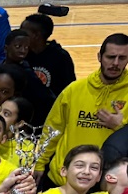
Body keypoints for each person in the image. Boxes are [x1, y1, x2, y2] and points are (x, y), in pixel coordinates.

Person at [37, 33, 128, 178]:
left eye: (122, 58)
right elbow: (52, 129)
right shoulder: (74, 89)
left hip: (104, 182)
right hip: (62, 178)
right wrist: (40, 162)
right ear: (99, 57)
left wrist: (121, 128)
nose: (116, 63)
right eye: (111, 57)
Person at [20, 12, 77, 96]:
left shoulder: (60, 57)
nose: (19, 34)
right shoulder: (20, 54)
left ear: (36, 35)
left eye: (23, 32)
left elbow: (69, 88)